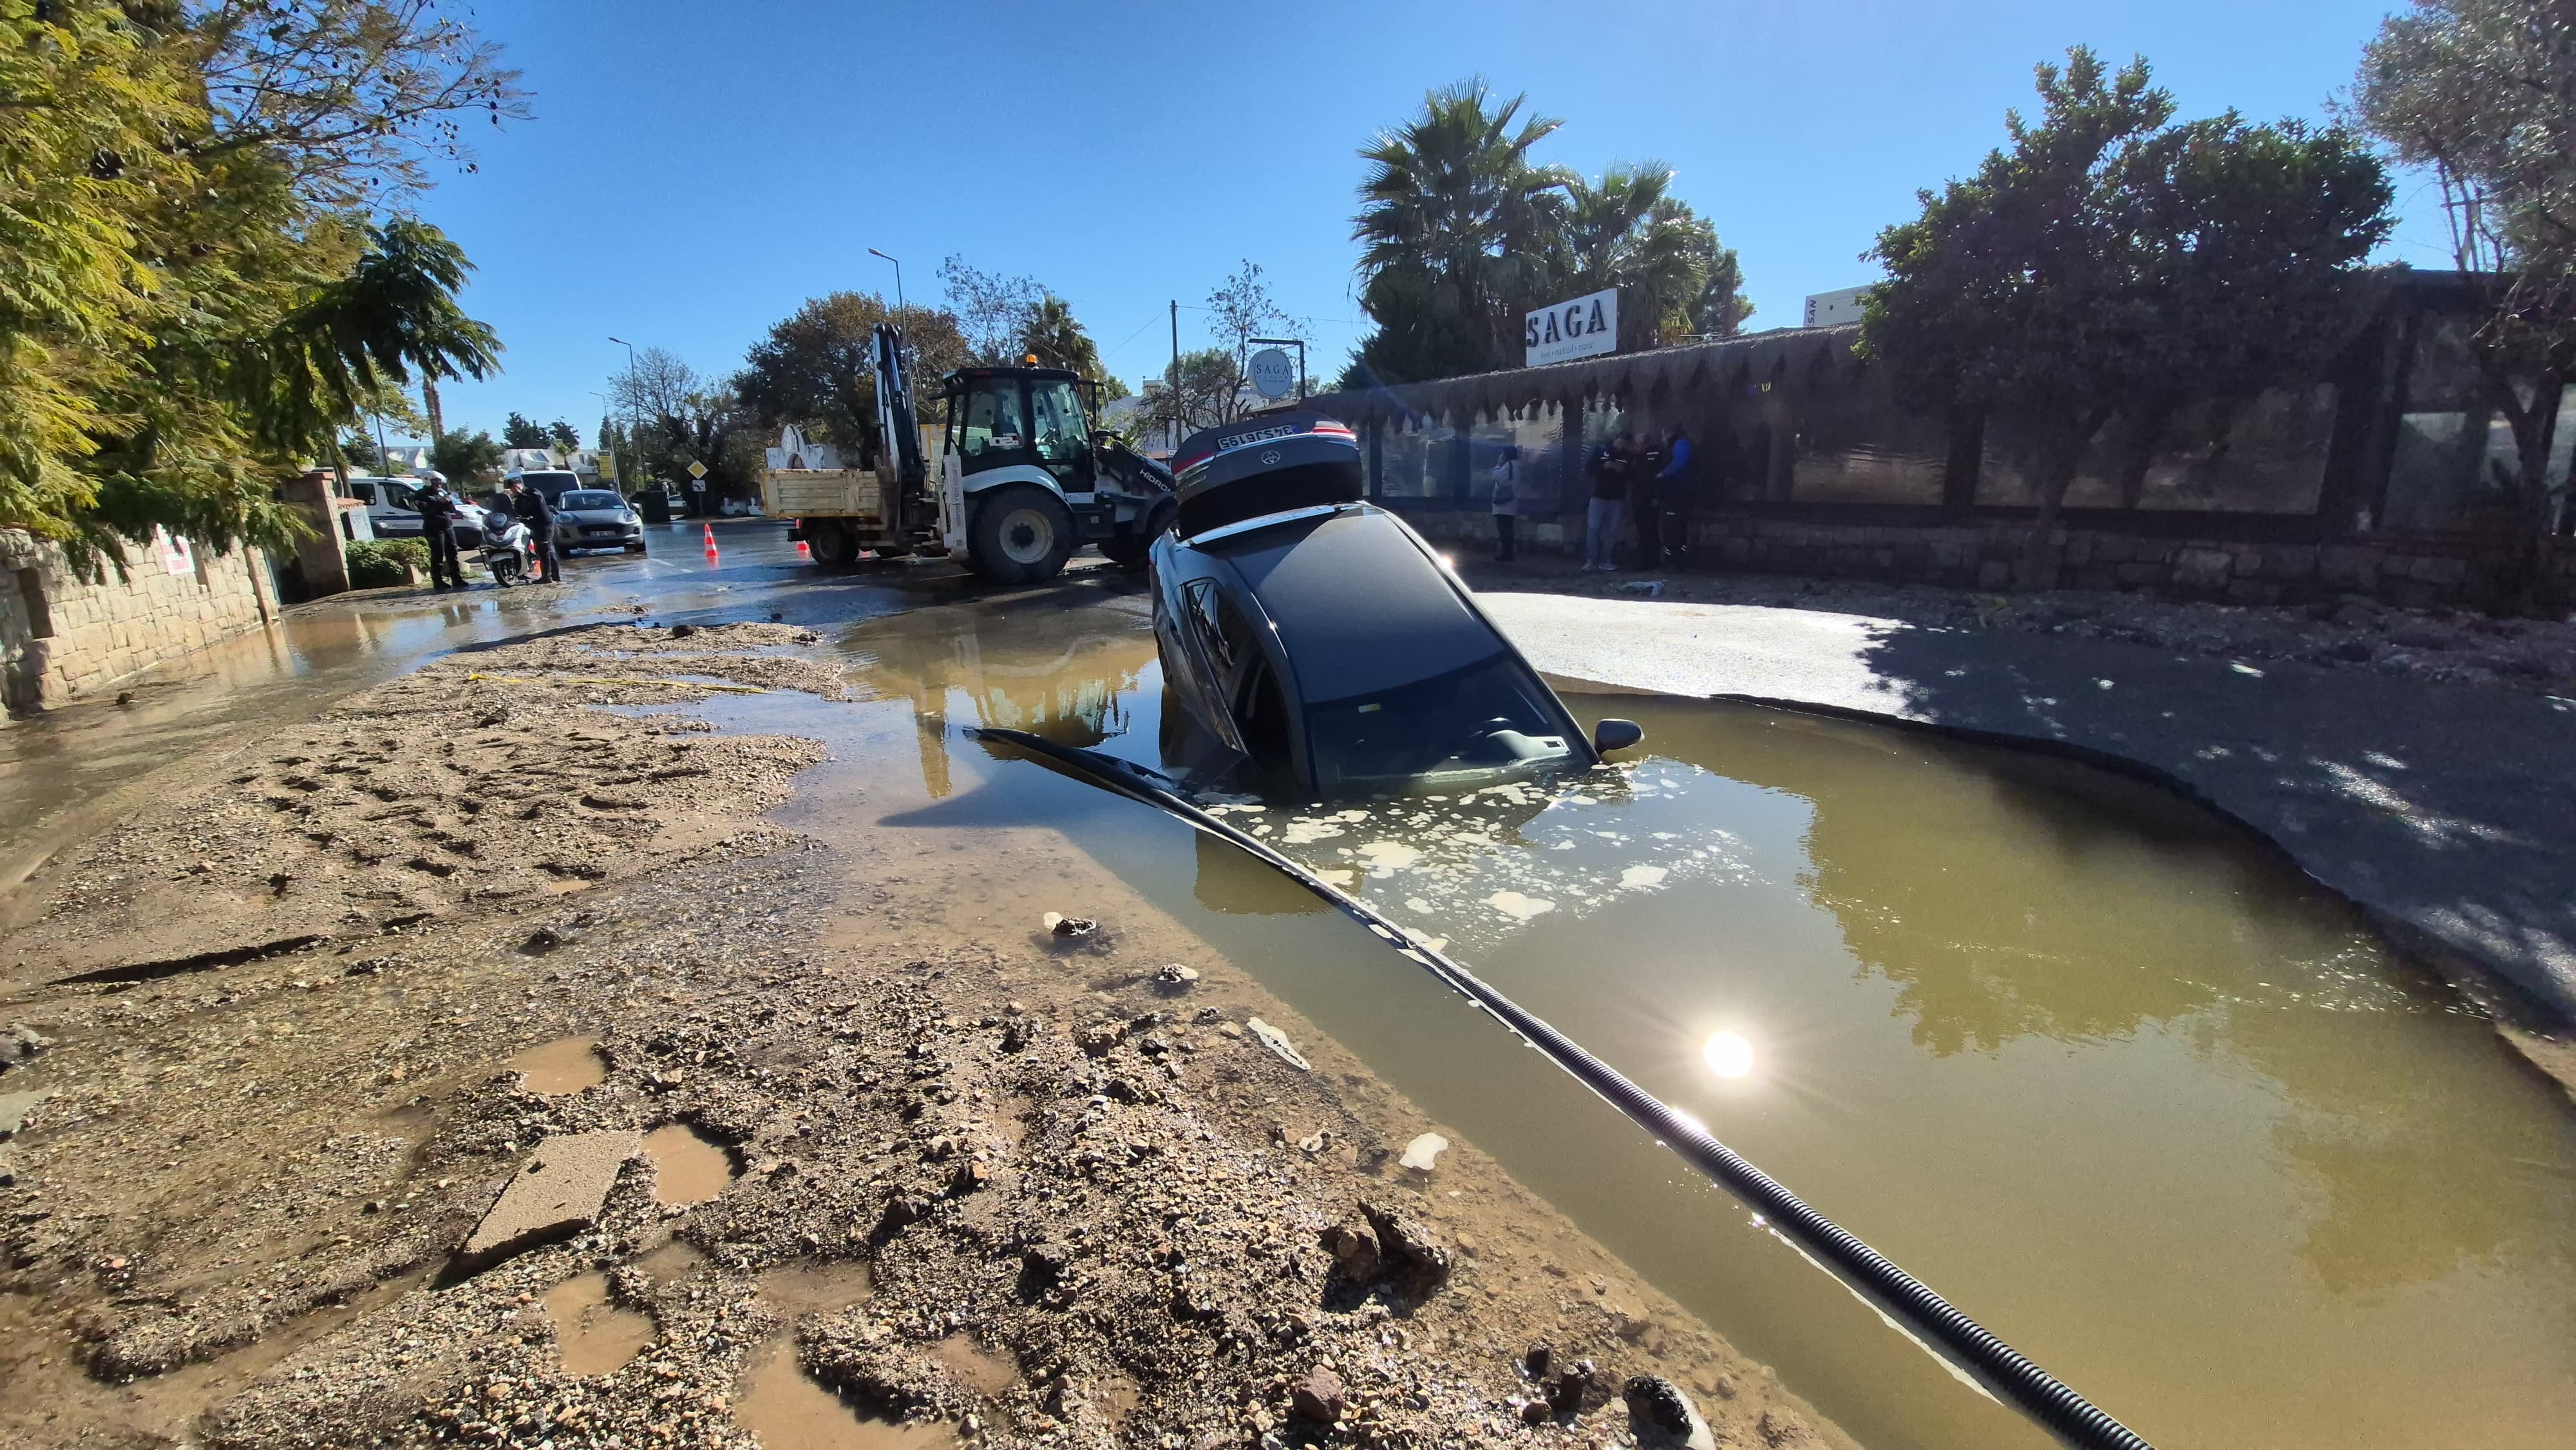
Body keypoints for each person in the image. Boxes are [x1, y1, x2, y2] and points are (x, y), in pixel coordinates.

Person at [1648, 424, 1696, 569]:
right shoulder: (1686, 446)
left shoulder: (1680, 445)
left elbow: (1678, 464)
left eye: (1663, 435)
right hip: (1680, 495)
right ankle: (1677, 560)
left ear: (1669, 435)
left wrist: (1662, 475)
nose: (1662, 439)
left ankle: (1674, 562)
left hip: (1675, 496)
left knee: (1672, 529)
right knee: (1678, 528)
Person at [1584, 433, 1631, 572]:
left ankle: (1606, 561)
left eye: (1624, 443)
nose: (1621, 445)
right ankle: (1591, 561)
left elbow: (1631, 475)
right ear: (1615, 439)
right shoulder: (1601, 451)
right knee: (1593, 529)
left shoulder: (1627, 456)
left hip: (1616, 499)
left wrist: (1622, 470)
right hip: (1598, 497)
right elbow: (1589, 468)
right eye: (1619, 441)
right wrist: (1604, 466)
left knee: (1611, 531)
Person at [505, 478, 561, 583]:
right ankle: (554, 576)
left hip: (543, 524)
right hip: (533, 526)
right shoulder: (518, 499)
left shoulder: (532, 492)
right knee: (545, 550)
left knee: (545, 550)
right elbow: (518, 512)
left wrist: (522, 496)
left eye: (514, 488)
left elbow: (538, 502)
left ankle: (547, 577)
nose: (513, 491)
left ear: (518, 486)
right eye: (512, 490)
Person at [416, 478, 466, 588]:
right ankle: (438, 581)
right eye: (436, 483)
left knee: (453, 552)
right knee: (438, 554)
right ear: (428, 482)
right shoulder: (421, 494)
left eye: (440, 483)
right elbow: (425, 509)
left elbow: (450, 508)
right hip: (434, 527)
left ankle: (457, 578)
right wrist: (439, 502)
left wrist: (449, 504)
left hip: (447, 525)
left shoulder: (441, 492)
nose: (439, 485)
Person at [1490, 445, 1522, 563]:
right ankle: (1507, 552)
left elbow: (1498, 478)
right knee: (1507, 528)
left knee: (1504, 529)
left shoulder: (1509, 466)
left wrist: (1498, 466)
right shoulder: (1517, 466)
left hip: (1505, 503)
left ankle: (1506, 554)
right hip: (1511, 502)